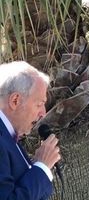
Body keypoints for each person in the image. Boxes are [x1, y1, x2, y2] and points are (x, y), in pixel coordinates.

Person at [0, 61, 61, 200]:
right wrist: (42, 166)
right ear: (15, 100)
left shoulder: (7, 135)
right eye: (39, 104)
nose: (43, 113)